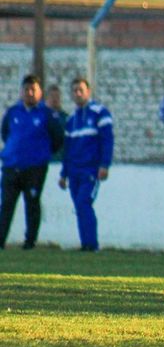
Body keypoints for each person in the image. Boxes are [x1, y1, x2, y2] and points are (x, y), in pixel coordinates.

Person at [0, 75, 64, 250]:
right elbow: (5, 134)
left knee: (32, 203)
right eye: (26, 89)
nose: (29, 93)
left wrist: (41, 154)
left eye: (33, 89)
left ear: (40, 92)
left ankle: (30, 242)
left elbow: (58, 138)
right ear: (21, 92)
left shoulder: (46, 114)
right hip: (11, 167)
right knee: (6, 204)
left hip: (35, 168)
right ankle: (1, 240)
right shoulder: (13, 112)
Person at [58, 77, 114, 252]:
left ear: (88, 92)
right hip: (74, 171)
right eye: (74, 90)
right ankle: (86, 244)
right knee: (79, 207)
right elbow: (67, 149)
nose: (78, 93)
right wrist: (63, 174)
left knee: (84, 202)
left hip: (91, 170)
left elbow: (107, 140)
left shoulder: (100, 112)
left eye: (81, 90)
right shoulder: (71, 120)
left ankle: (92, 244)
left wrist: (105, 164)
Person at [45, 84, 69, 162]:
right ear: (47, 98)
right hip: (45, 160)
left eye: (57, 96)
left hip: (62, 159)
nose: (55, 99)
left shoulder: (66, 118)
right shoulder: (41, 117)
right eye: (52, 96)